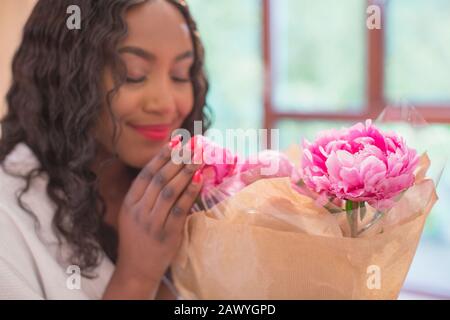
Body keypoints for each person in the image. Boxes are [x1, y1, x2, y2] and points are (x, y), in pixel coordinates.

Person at [0, 0, 210, 299]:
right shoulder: (7, 218)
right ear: (68, 77)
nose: (165, 103)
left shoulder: (186, 190)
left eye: (180, 74)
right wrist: (137, 278)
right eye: (133, 74)